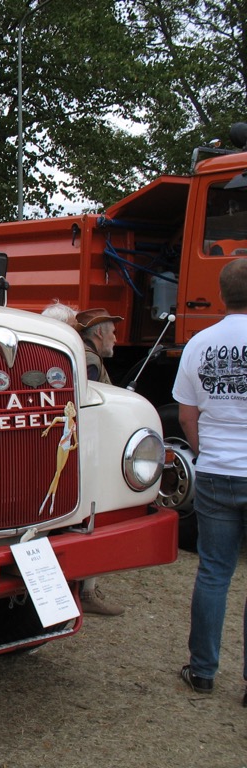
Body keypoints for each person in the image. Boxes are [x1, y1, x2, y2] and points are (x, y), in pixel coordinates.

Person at [172, 257, 247, 707]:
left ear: (221, 294)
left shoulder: (200, 343)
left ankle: (202, 671)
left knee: (215, 572)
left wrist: (203, 453)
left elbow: (185, 414)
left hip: (217, 469)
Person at [39, 304, 126, 616]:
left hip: (71, 444)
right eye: (112, 332)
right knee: (88, 514)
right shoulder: (86, 361)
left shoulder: (83, 358)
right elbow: (81, 403)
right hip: (79, 447)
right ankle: (84, 589)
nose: (116, 338)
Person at [76, 307, 122, 385]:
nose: (115, 339)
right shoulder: (92, 360)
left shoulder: (80, 352)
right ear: (99, 332)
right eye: (113, 332)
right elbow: (87, 395)